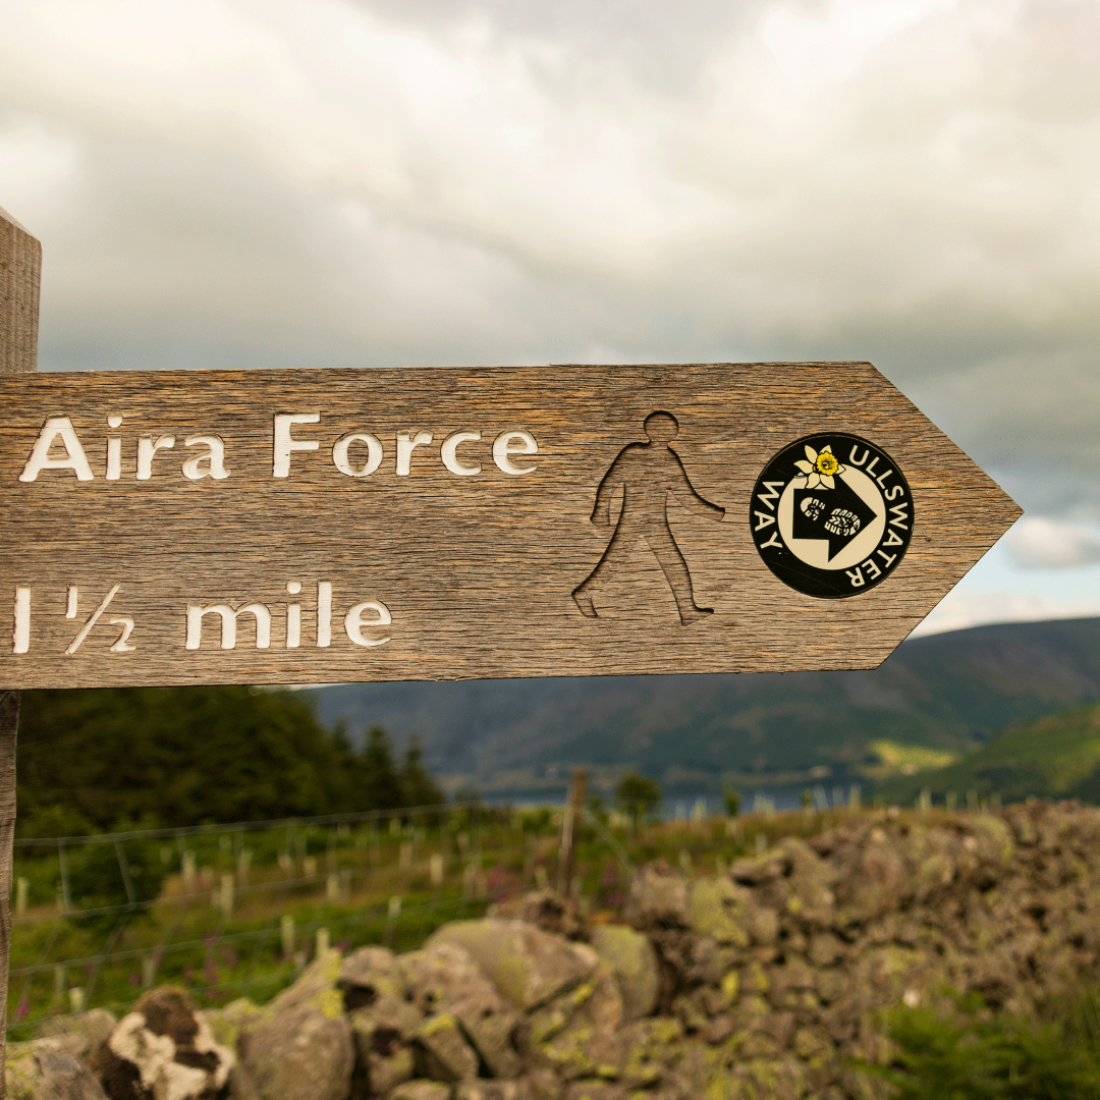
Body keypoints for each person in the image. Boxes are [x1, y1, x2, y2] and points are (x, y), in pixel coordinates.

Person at [572, 411, 724, 625]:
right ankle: (584, 594)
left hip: (654, 522)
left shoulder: (669, 460)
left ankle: (687, 610)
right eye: (667, 428)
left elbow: (686, 496)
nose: (670, 431)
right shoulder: (634, 454)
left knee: (671, 563)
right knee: (615, 561)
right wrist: (601, 511)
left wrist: (714, 513)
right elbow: (610, 483)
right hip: (634, 520)